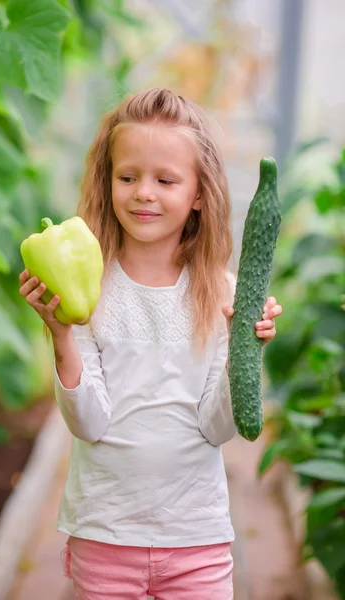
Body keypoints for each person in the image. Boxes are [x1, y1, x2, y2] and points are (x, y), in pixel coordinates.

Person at [19, 88, 283, 600]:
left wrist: (246, 350)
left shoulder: (223, 293)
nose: (144, 192)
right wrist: (61, 336)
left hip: (196, 538)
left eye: (166, 180)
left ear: (199, 193)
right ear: (108, 180)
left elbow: (217, 426)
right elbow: (88, 422)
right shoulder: (87, 285)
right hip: (105, 533)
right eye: (128, 177)